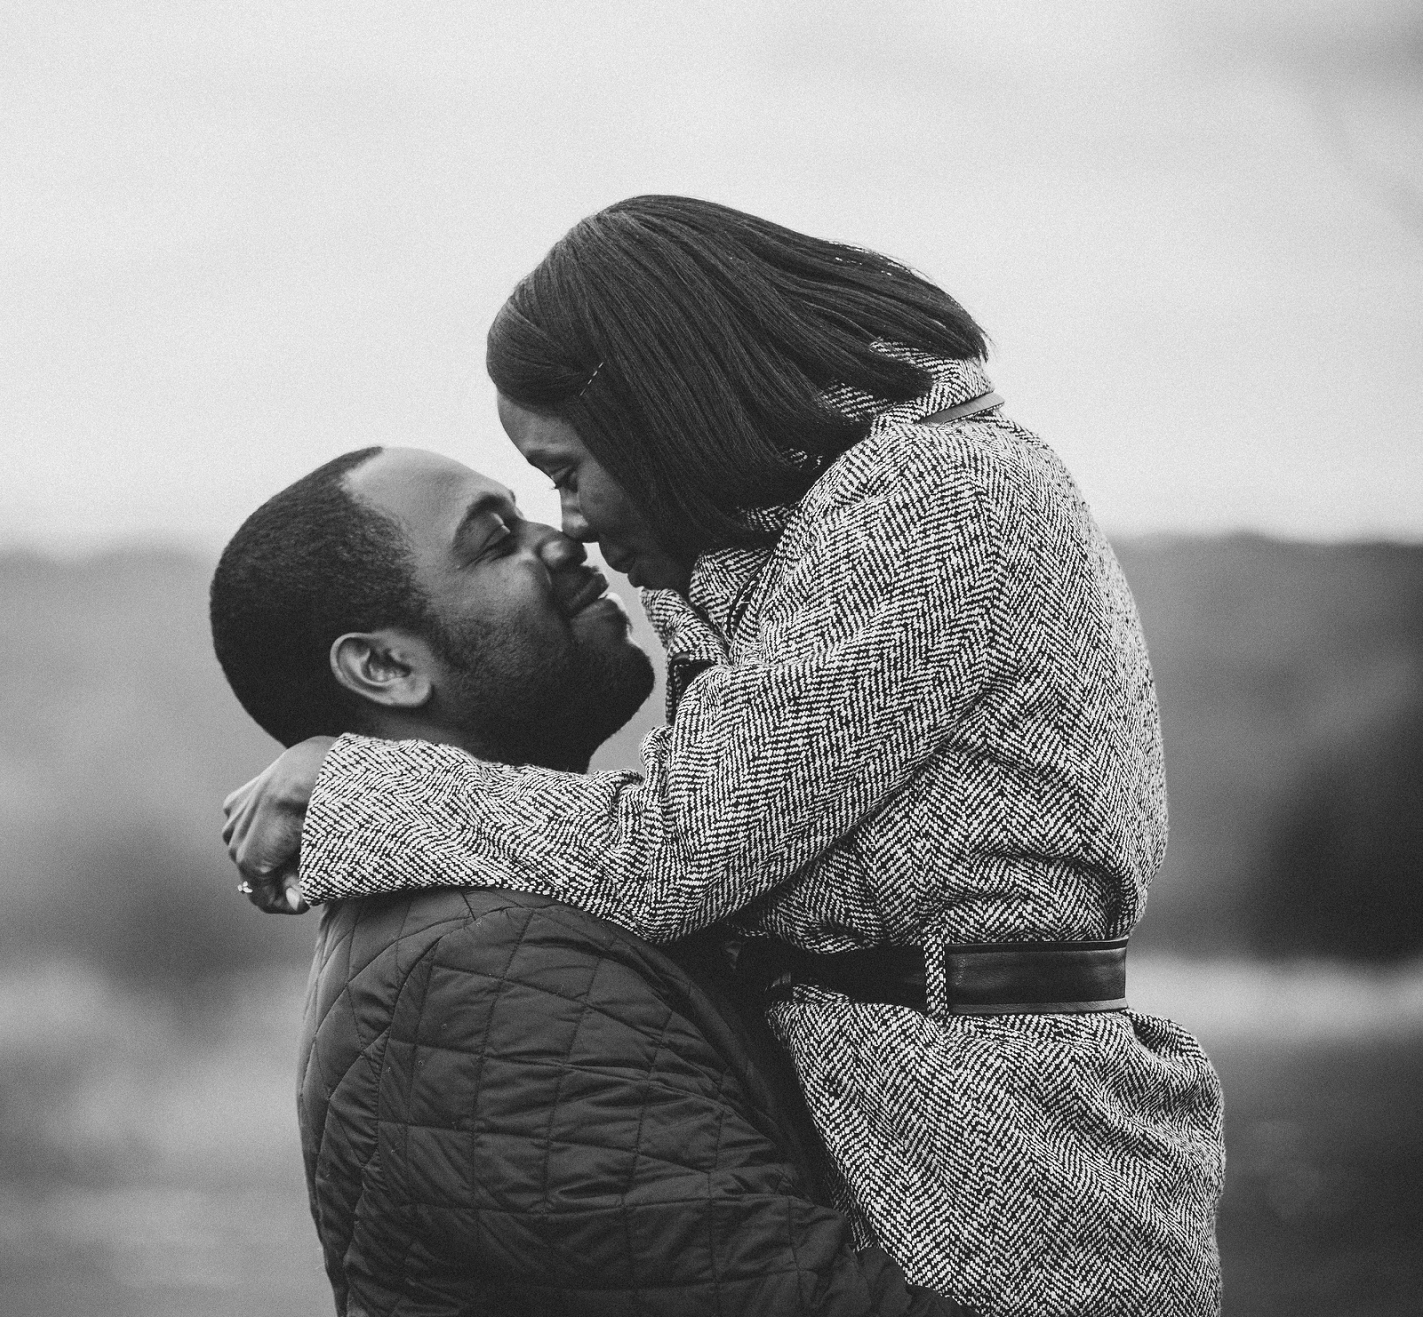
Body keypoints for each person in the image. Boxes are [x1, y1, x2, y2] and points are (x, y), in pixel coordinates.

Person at [223, 200, 1226, 1316]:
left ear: (657, 414)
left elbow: (673, 849)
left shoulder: (929, 499)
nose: (571, 525)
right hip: (947, 1145)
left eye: (564, 471)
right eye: (512, 520)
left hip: (1006, 1165)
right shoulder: (828, 527)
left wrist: (358, 781)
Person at [209, 445, 976, 1317]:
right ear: (385, 667)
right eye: (496, 540)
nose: (566, 537)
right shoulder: (485, 975)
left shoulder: (528, 910)